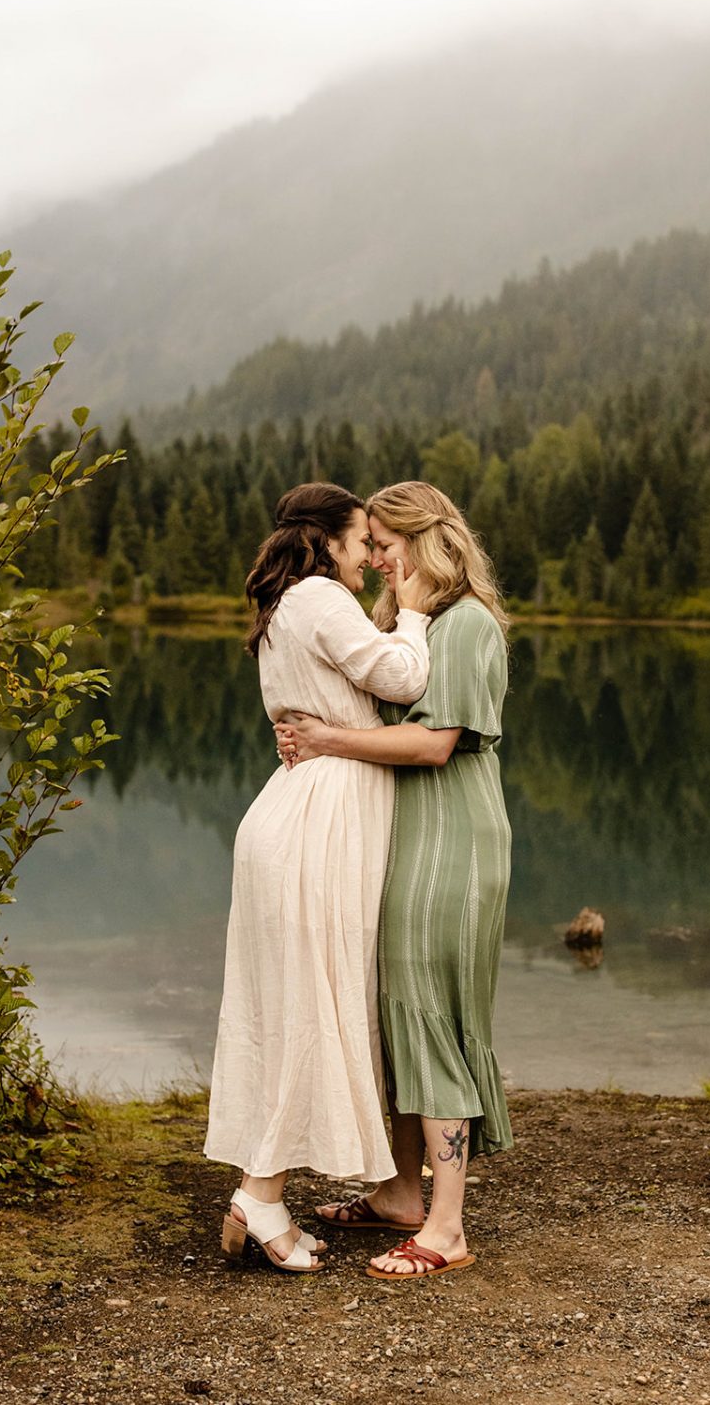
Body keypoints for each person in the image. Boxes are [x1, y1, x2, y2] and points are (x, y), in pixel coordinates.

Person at [276, 480, 513, 1280]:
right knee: (396, 1011)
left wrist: (329, 740)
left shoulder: (470, 623)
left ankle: (446, 1229)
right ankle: (400, 1194)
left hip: (453, 839)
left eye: (384, 544)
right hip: (409, 836)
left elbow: (437, 744)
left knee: (431, 1013)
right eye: (368, 544)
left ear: (423, 539)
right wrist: (311, 734)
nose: (374, 559)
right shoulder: (414, 625)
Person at [204, 481, 432, 1274]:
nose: (372, 557)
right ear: (331, 538)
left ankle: (259, 1190)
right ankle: (260, 1195)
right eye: (364, 540)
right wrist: (418, 613)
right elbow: (403, 679)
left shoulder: (286, 605)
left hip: (298, 809)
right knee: (314, 1001)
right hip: (323, 819)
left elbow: (345, 688)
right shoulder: (322, 597)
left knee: (298, 1003)